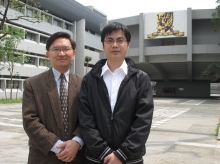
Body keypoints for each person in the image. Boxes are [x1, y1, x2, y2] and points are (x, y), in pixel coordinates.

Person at [78, 22, 154, 164]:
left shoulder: (141, 79)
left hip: (130, 159)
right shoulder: (89, 79)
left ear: (128, 44)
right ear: (103, 45)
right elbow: (85, 118)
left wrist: (122, 154)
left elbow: (143, 120)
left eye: (120, 40)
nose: (114, 45)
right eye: (109, 40)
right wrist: (103, 151)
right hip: (96, 158)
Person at [22, 32, 84, 164]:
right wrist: (56, 146)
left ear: (74, 53)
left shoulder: (84, 83)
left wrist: (77, 141)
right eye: (56, 49)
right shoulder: (32, 84)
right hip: (44, 157)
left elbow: (90, 117)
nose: (61, 53)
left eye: (66, 49)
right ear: (47, 54)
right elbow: (30, 120)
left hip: (78, 156)